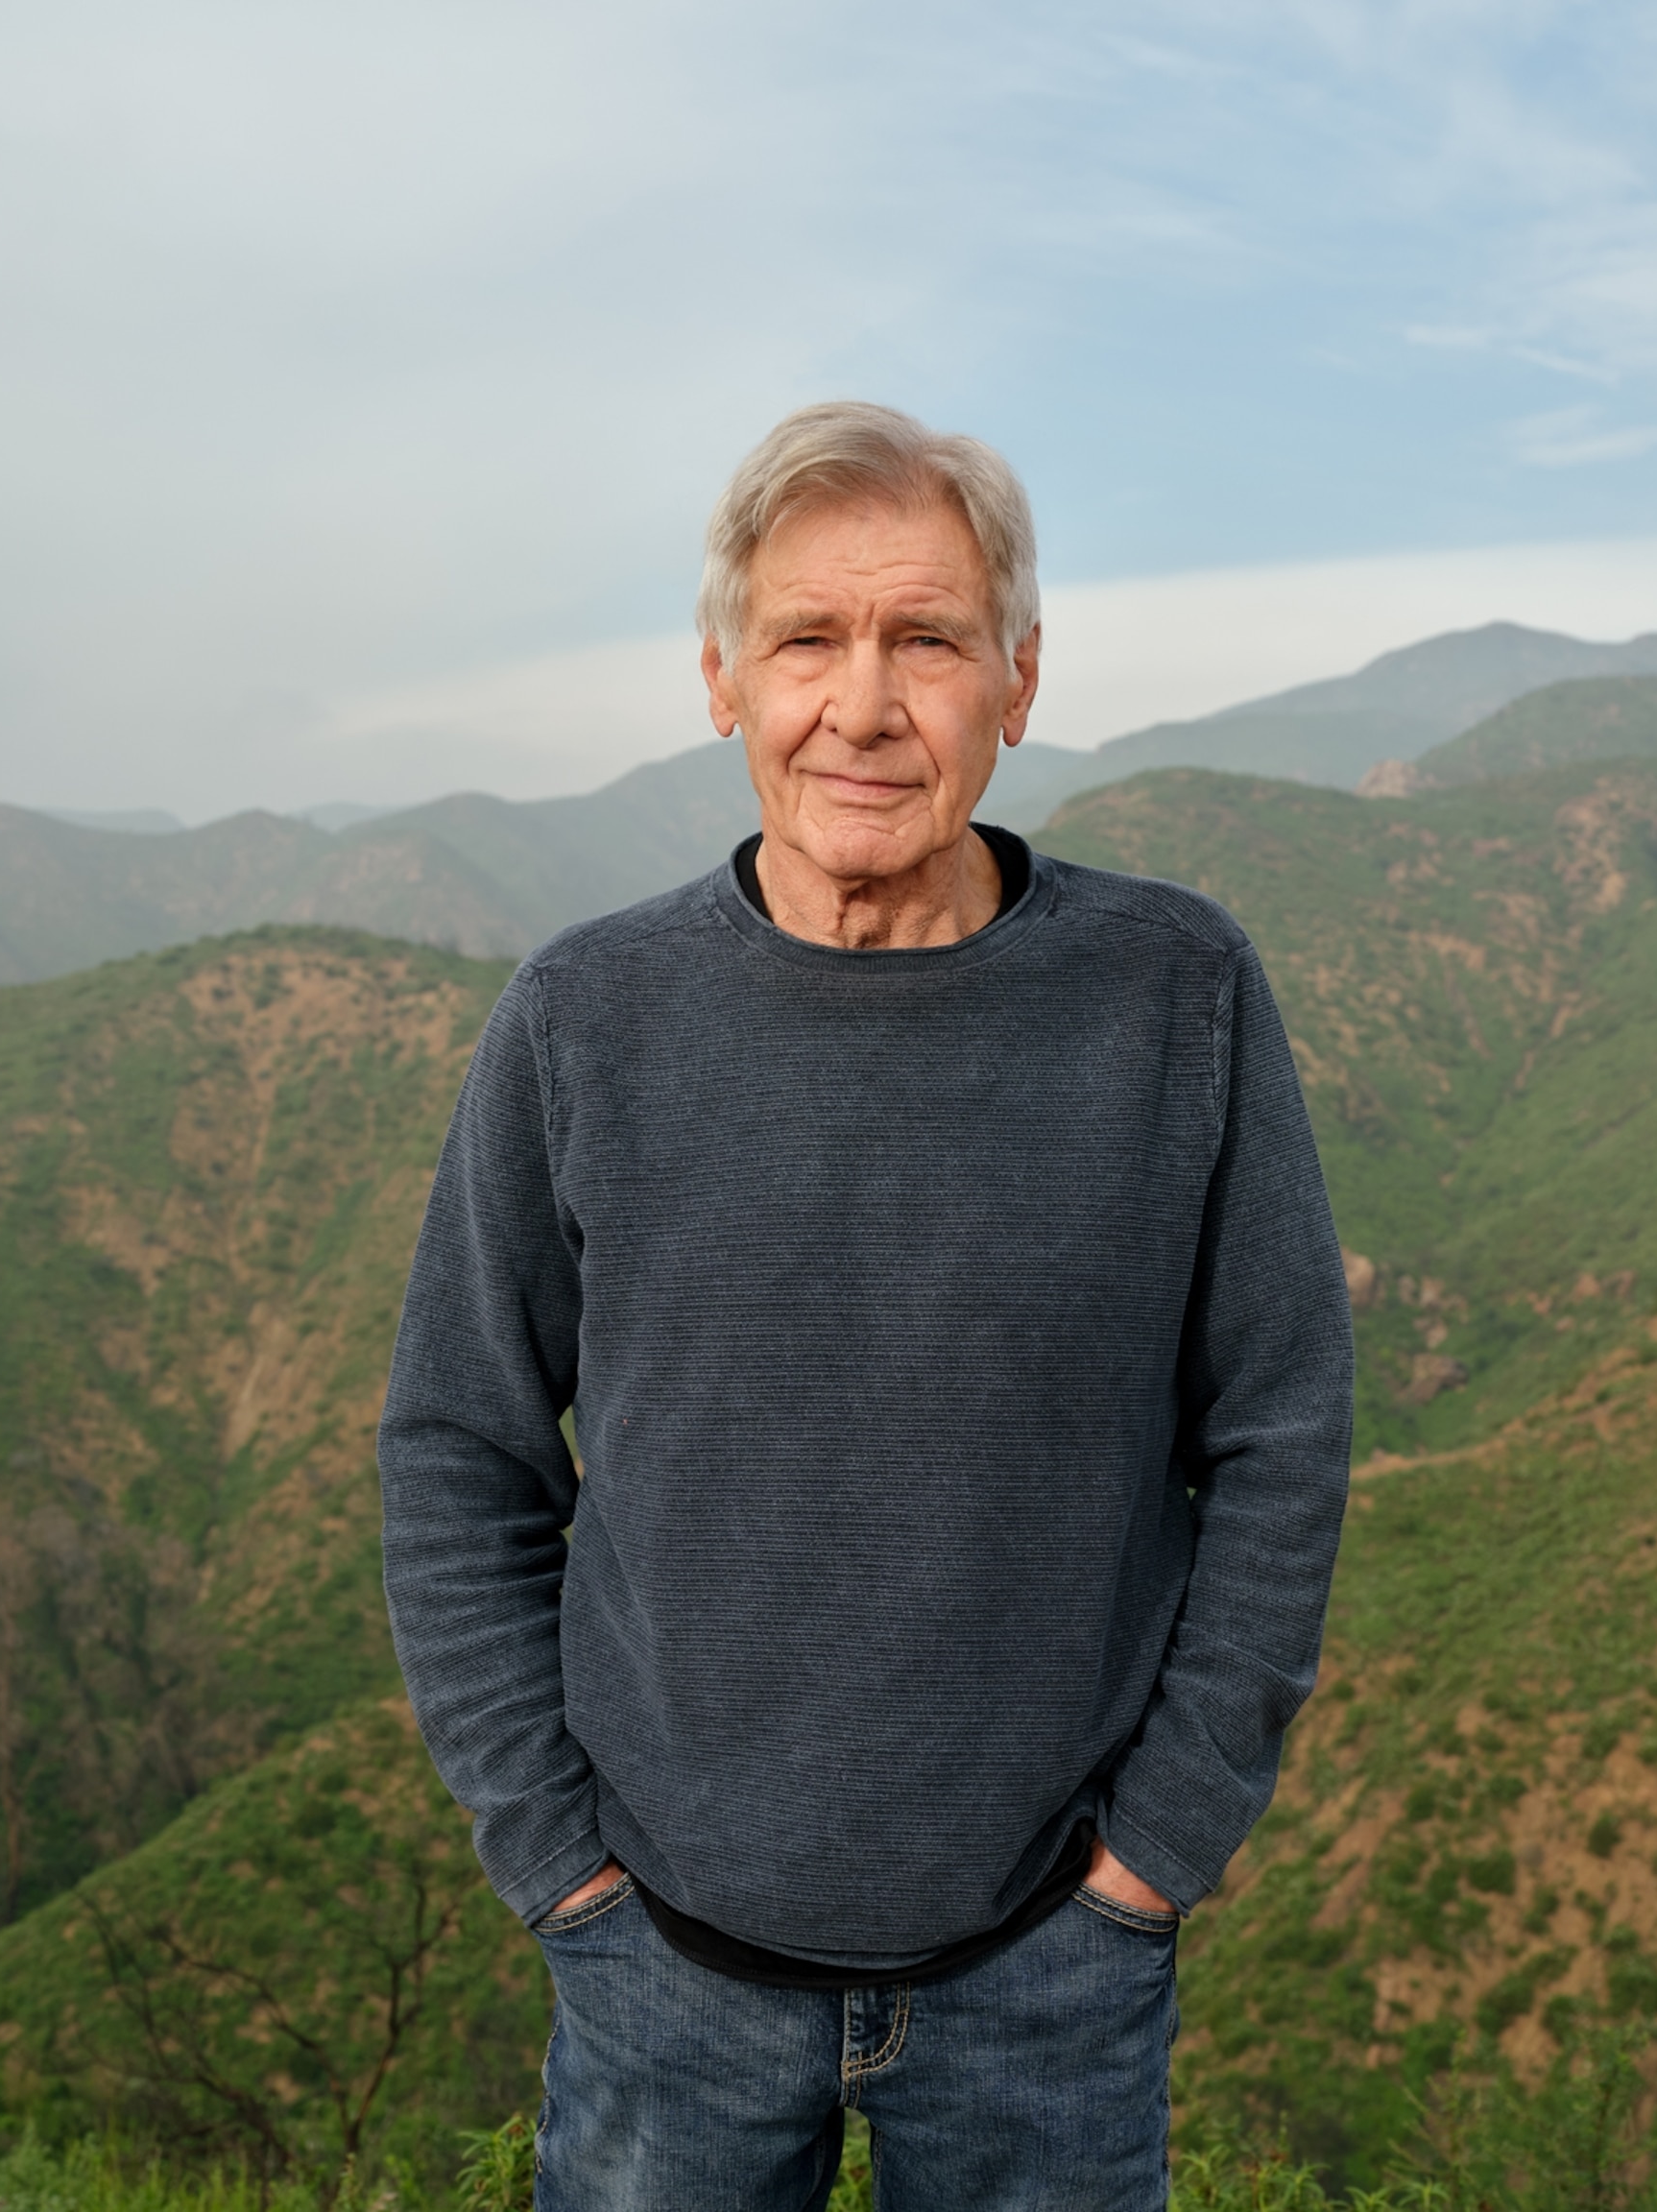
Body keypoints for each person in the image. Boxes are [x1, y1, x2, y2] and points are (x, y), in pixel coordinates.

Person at [376, 400, 1354, 2211]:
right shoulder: (587, 1018)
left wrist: (1161, 1852)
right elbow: (457, 1450)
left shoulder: (1175, 995)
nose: (866, 704)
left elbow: (1282, 1435)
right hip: (663, 1974)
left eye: (927, 639)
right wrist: (560, 1873)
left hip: (1049, 1983)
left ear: (1021, 677)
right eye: (807, 640)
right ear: (722, 677)